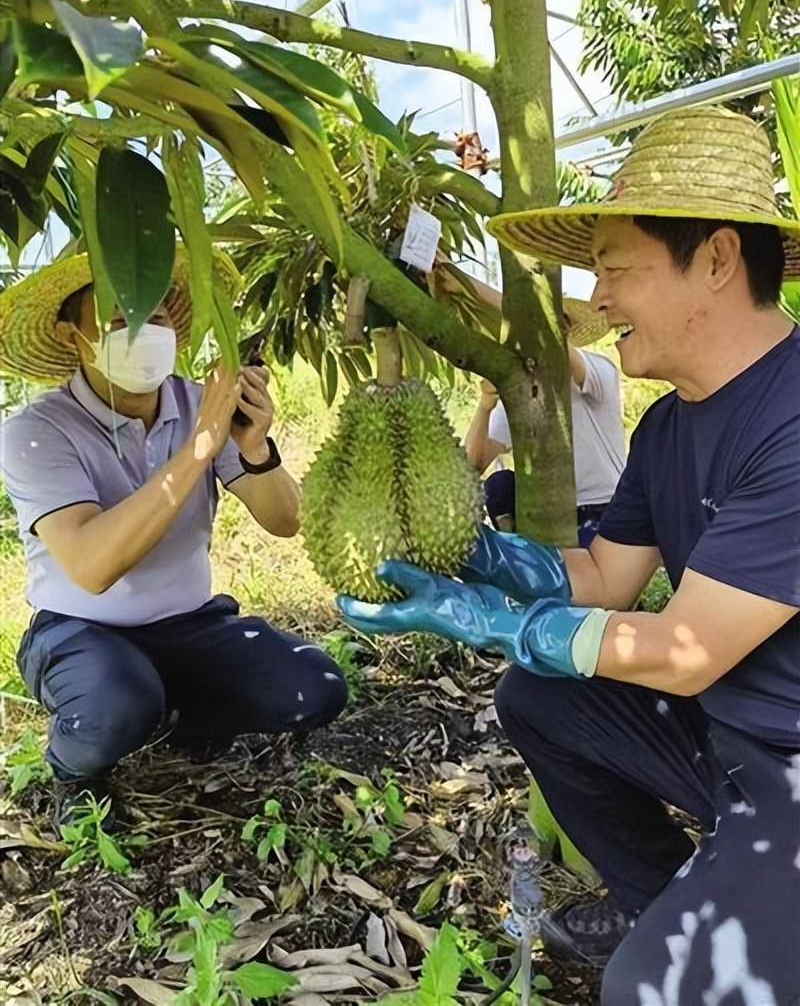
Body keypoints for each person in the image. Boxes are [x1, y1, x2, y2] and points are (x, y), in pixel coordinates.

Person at [338, 106, 800, 1006]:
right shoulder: (667, 425)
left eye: (615, 271)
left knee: (645, 991)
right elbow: (602, 577)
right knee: (541, 696)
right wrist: (484, 561)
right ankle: (667, 899)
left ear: (713, 259)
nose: (597, 300)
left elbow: (685, 650)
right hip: (726, 737)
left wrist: (507, 624)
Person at [0, 249, 347, 825]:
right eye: (118, 322)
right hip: (79, 630)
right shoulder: (35, 433)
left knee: (316, 687)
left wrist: (255, 448)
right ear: (71, 337)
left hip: (189, 623)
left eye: (155, 318)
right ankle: (75, 769)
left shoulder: (197, 404)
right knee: (115, 704)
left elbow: (286, 520)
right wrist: (201, 447)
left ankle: (188, 717)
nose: (142, 333)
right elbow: (91, 565)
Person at [463, 293, 625, 545]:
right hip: (548, 512)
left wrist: (465, 283)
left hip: (602, 507)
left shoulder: (599, 371)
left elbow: (546, 333)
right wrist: (485, 404)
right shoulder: (521, 391)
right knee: (499, 486)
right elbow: (472, 467)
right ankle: (517, 550)